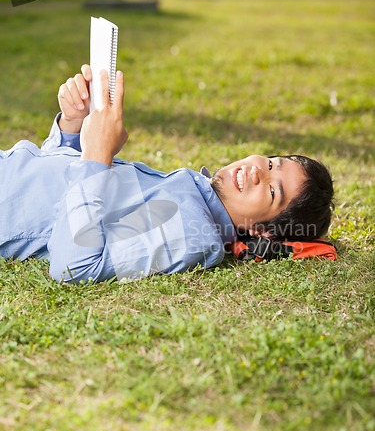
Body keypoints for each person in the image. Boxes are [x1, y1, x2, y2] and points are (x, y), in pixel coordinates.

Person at [0, 65, 334, 283]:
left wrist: (97, 155)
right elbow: (59, 196)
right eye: (273, 162)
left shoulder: (193, 229)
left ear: (261, 232)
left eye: (273, 192)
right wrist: (73, 127)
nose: (259, 170)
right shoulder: (194, 193)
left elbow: (75, 265)